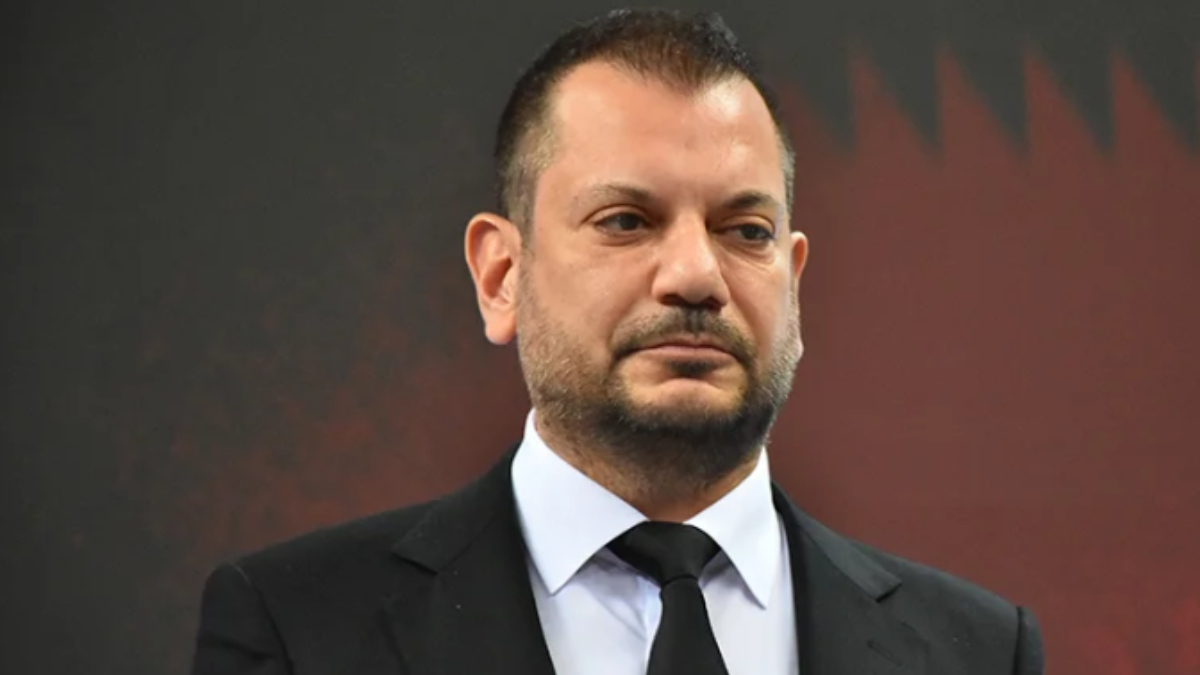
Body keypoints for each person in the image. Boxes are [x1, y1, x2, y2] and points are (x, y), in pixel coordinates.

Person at [191, 8, 1044, 675]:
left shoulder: (978, 650)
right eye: (626, 220)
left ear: (793, 281)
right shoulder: (298, 628)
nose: (696, 275)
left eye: (745, 230)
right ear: (501, 275)